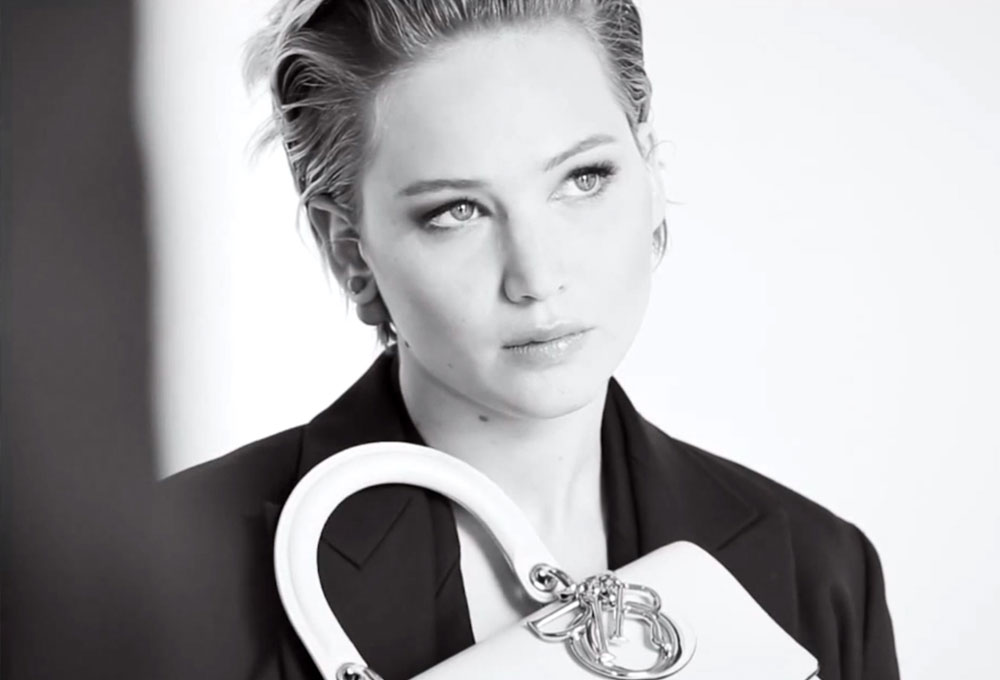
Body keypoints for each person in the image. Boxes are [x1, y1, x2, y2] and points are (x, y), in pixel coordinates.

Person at [156, 1, 900, 679]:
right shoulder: (168, 578)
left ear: (650, 172)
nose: (537, 279)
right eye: (456, 211)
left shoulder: (821, 571)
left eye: (584, 178)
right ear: (348, 247)